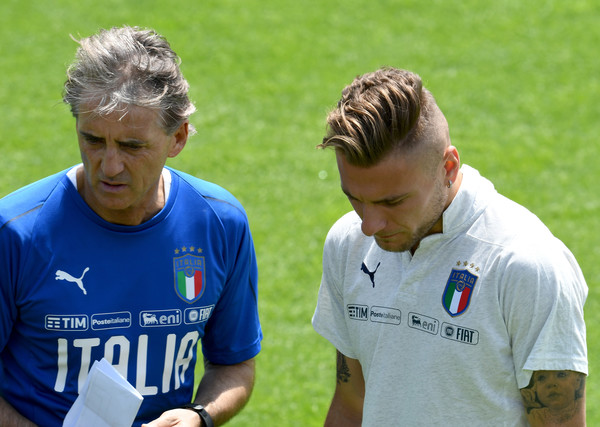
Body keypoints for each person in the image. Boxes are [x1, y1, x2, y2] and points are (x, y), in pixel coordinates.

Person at [0, 25, 261, 427]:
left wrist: (200, 417)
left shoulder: (219, 223)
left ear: (178, 138)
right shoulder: (16, 232)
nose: (109, 166)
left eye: (131, 146)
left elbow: (235, 365)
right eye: (92, 140)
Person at [312, 67, 587, 426]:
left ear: (449, 167)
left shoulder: (526, 265)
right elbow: (352, 401)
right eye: (355, 199)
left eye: (393, 202)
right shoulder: (348, 242)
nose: (369, 224)